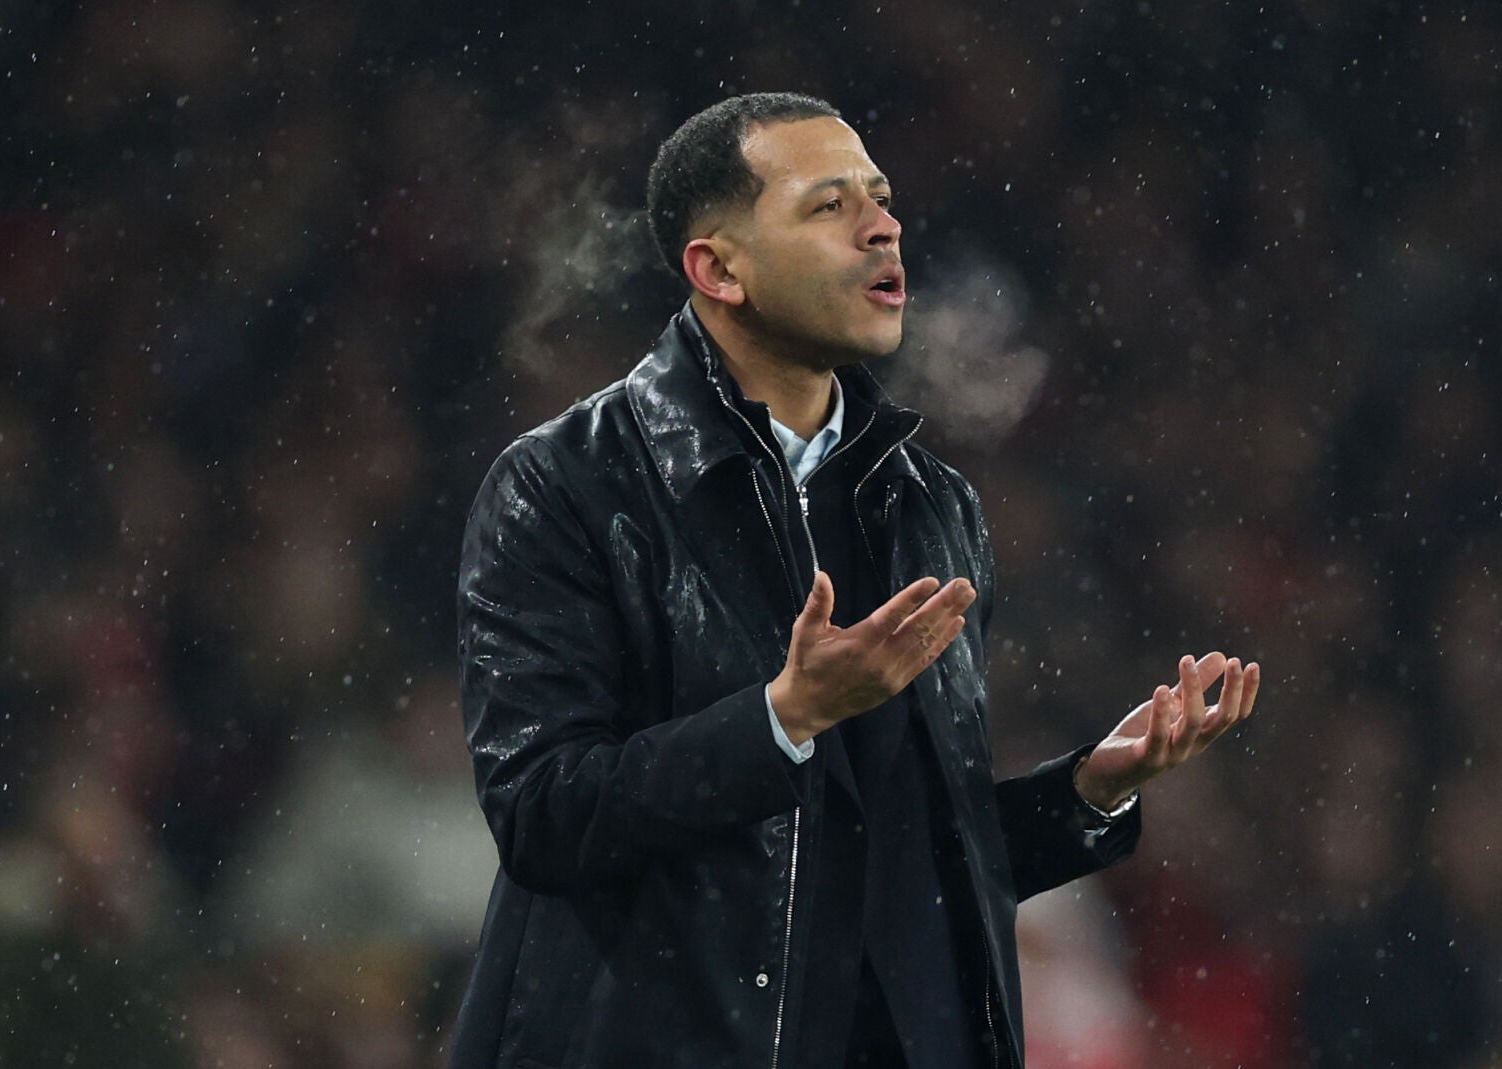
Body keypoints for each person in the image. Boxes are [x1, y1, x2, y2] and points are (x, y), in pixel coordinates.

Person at [449, 92, 1261, 1069]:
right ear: (718, 269)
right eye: (828, 205)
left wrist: (1086, 791)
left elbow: (913, 868)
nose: (883, 227)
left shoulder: (931, 505)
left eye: (880, 198)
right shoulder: (564, 485)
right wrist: (782, 717)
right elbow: (543, 814)